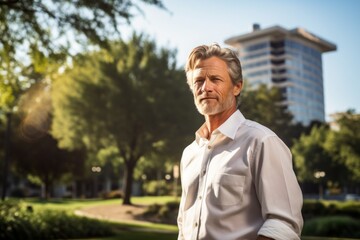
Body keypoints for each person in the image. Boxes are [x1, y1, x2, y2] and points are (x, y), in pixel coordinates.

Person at [177, 43, 303, 240]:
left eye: (215, 79)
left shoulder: (262, 142)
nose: (206, 87)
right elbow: (184, 226)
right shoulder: (189, 153)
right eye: (198, 81)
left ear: (237, 87)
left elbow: (283, 224)